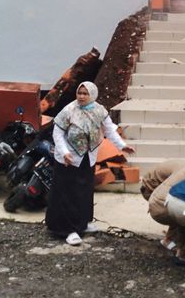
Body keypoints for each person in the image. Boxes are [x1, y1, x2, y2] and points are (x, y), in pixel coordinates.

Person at [46, 81, 135, 246]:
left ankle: (83, 223)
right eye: (79, 93)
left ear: (92, 95)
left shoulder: (99, 110)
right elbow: (57, 132)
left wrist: (122, 145)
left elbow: (109, 130)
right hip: (69, 158)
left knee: (84, 191)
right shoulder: (69, 110)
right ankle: (68, 230)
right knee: (68, 193)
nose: (81, 96)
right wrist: (65, 152)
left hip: (87, 157)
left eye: (85, 94)